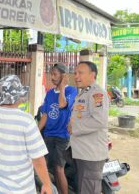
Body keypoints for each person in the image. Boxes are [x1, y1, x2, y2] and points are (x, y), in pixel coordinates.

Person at [0, 74, 52, 194]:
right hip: (21, 189)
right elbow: (38, 160)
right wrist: (47, 184)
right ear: (18, 97)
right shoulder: (26, 120)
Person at [68, 61, 109, 194]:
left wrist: (74, 127)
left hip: (91, 154)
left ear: (92, 75)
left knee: (89, 190)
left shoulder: (97, 94)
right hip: (82, 152)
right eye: (75, 73)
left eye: (80, 73)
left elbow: (99, 121)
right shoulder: (83, 93)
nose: (76, 76)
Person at [38, 63, 78, 194]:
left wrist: (62, 87)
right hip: (49, 135)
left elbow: (62, 104)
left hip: (62, 136)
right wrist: (37, 131)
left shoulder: (72, 90)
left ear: (63, 75)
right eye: (51, 74)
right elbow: (45, 114)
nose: (52, 77)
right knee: (47, 167)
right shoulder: (49, 93)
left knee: (59, 168)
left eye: (55, 74)